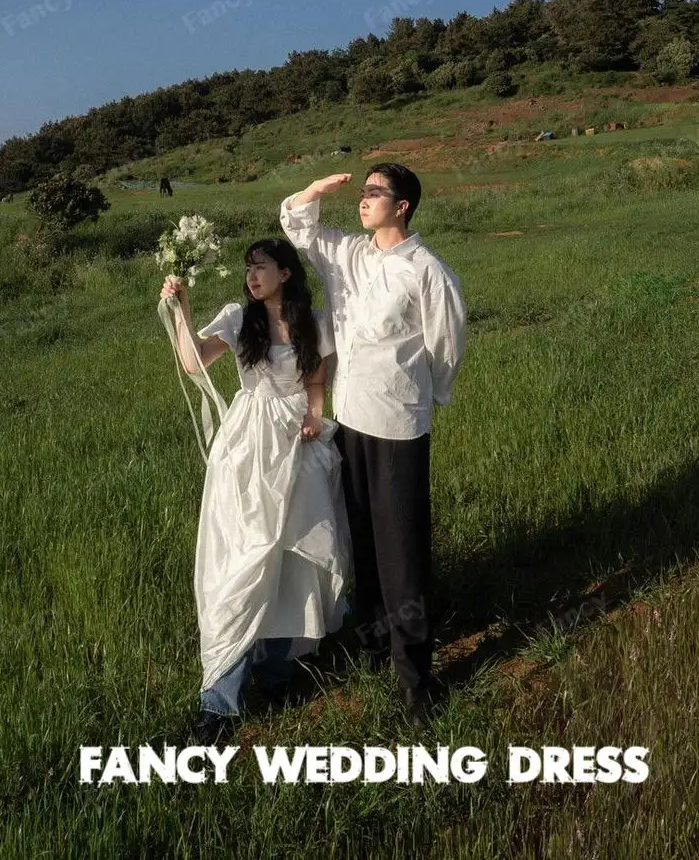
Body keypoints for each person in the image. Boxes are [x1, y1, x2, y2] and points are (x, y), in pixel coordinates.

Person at [279, 164, 467, 724]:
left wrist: (418, 394)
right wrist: (313, 192)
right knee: (360, 535)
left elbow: (446, 345)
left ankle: (416, 677)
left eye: (374, 193)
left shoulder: (427, 270)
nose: (362, 201)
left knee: (401, 549)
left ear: (403, 205)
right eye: (361, 192)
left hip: (398, 424)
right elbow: (299, 228)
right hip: (350, 418)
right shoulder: (351, 256)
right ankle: (374, 642)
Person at [158, 239, 351, 744]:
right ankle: (220, 699)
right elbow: (194, 363)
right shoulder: (239, 319)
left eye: (260, 266)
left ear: (285, 273)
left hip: (296, 443)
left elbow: (315, 384)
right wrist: (181, 309)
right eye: (247, 268)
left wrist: (313, 418)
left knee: (295, 558)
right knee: (241, 562)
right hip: (247, 446)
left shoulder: (311, 320)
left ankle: (276, 672)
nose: (251, 276)